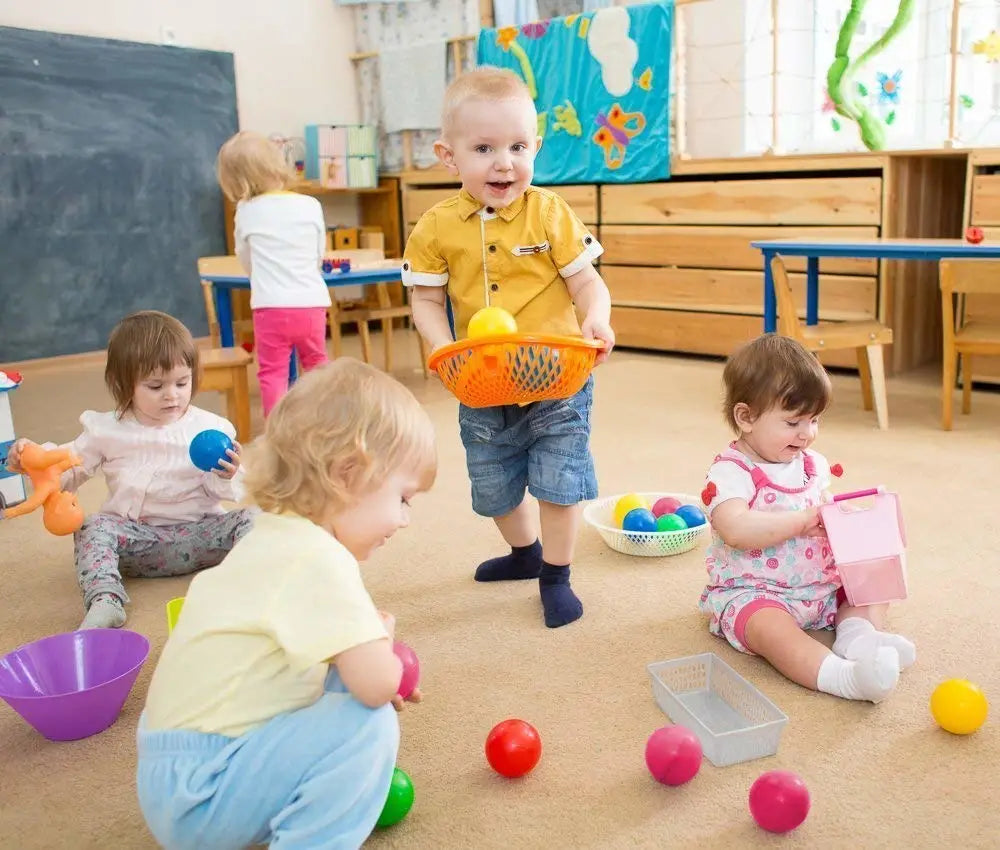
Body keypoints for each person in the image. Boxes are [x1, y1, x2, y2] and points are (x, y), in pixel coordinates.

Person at [135, 358, 435, 850]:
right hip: (204, 792)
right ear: (348, 475)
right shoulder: (320, 560)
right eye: (402, 498)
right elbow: (380, 685)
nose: (404, 520)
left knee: (342, 684)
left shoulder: (271, 535)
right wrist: (380, 639)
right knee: (370, 726)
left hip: (175, 776)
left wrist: (358, 657)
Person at [402, 66, 614, 629]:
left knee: (560, 476)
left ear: (536, 147)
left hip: (558, 374)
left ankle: (557, 575)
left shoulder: (550, 213)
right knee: (494, 485)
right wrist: (444, 351)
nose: (505, 162)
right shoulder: (434, 227)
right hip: (481, 379)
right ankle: (526, 555)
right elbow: (425, 303)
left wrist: (597, 318)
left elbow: (587, 282)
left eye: (519, 146)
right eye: (484, 148)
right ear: (449, 156)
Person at [698, 334, 916, 703]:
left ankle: (858, 636)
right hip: (757, 591)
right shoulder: (730, 473)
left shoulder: (811, 464)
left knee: (873, 574)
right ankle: (842, 677)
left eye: (814, 419)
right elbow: (735, 529)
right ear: (746, 417)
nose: (807, 434)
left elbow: (822, 506)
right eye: (794, 421)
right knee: (770, 630)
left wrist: (847, 523)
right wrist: (801, 521)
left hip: (821, 584)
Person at [4, 311, 252, 629]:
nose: (172, 394)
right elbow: (69, 466)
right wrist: (35, 461)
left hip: (201, 535)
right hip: (137, 544)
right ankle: (106, 599)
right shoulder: (107, 429)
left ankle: (248, 587)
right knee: (92, 527)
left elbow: (229, 492)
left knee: (254, 518)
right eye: (155, 385)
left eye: (182, 382)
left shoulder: (211, 427)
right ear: (125, 385)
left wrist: (228, 474)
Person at [216, 130, 331, 415]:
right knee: (317, 366)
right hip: (311, 302)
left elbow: (245, 258)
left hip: (270, 306)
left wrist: (262, 278)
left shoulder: (246, 210)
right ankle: (325, 424)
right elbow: (318, 253)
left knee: (273, 373)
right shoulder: (309, 204)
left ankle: (277, 436)